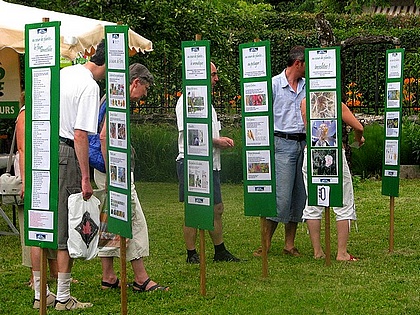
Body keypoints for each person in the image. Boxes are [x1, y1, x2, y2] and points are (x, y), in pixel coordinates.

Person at [29, 40, 106, 311]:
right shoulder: (90, 86)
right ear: (105, 65)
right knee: (65, 222)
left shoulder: (63, 73)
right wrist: (86, 177)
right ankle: (62, 296)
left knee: (40, 221)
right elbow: (81, 134)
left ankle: (41, 293)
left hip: (42, 149)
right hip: (65, 153)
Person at [93, 63, 168, 292]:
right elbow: (105, 137)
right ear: (135, 82)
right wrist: (114, 171)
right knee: (134, 221)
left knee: (108, 220)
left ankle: (108, 276)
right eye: (144, 89)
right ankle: (141, 278)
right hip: (114, 172)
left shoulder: (107, 97)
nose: (144, 95)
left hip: (101, 171)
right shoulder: (118, 101)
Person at [176, 62, 240, 263]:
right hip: (192, 162)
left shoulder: (207, 102)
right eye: (213, 75)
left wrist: (217, 142)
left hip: (211, 162)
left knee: (217, 208)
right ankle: (191, 253)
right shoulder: (186, 100)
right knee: (194, 207)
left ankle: (220, 251)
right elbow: (189, 133)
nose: (216, 79)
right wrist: (216, 141)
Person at [253, 46, 307, 257]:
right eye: (306, 64)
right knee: (281, 196)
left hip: (302, 142)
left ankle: (289, 245)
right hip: (282, 143)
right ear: (298, 63)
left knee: (298, 195)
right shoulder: (274, 85)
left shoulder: (307, 86)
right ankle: (264, 245)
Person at [301, 99, 364, 261]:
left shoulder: (305, 102)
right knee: (343, 200)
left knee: (313, 200)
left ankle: (318, 251)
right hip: (333, 152)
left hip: (313, 152)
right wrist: (359, 139)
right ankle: (342, 252)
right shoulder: (336, 104)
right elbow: (359, 127)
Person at [15, 92, 58, 309]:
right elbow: (22, 149)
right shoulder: (25, 115)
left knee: (47, 224)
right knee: (34, 226)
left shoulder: (41, 113)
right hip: (31, 173)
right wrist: (25, 182)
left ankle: (50, 274)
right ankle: (36, 280)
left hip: (41, 170)